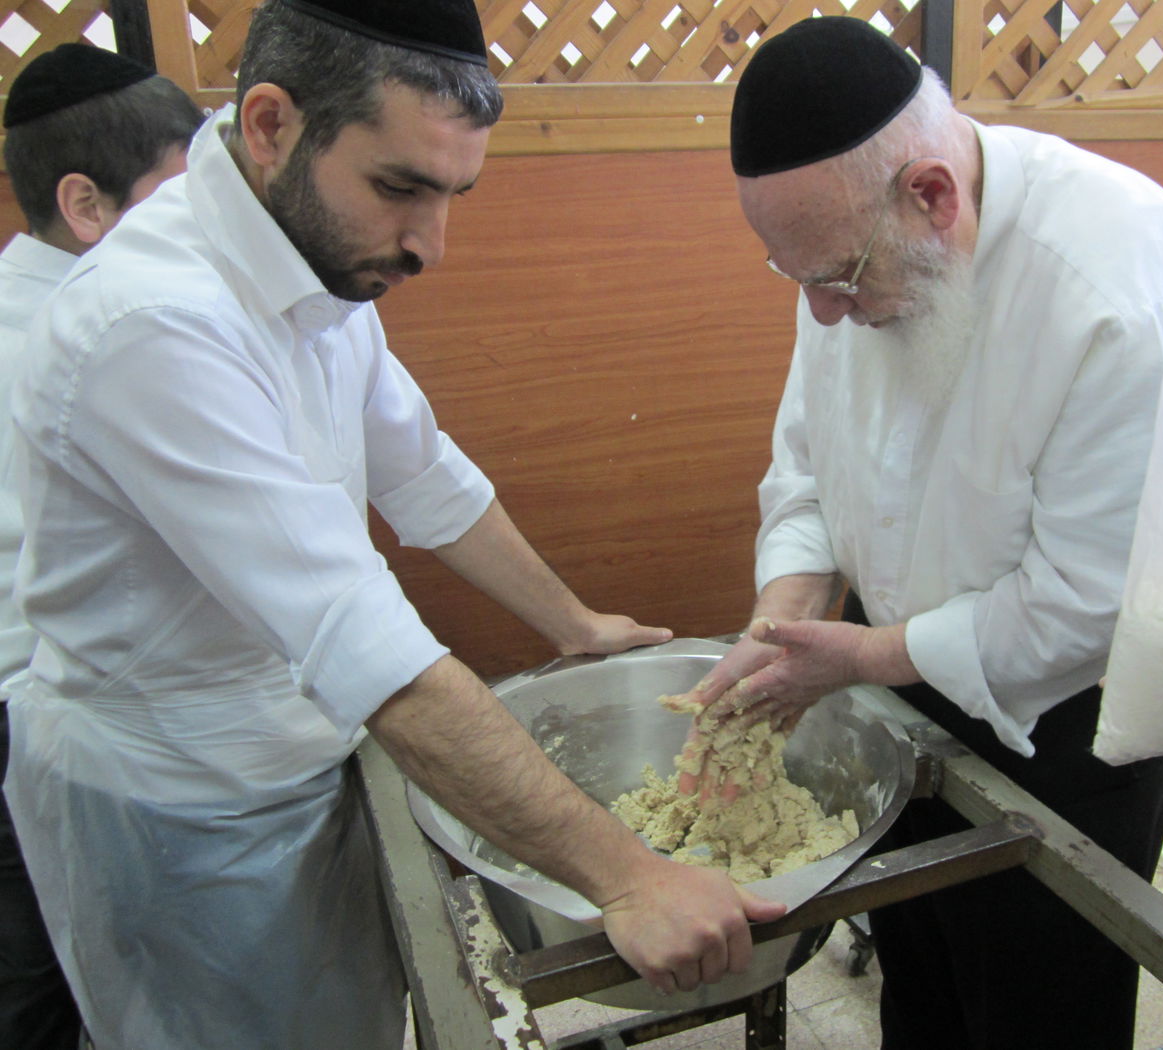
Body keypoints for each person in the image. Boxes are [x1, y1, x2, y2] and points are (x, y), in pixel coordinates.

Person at [3, 3, 783, 1048]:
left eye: (454, 194)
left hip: (301, 752)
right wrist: (629, 877)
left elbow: (422, 476)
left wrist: (576, 625)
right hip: (183, 810)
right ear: (273, 125)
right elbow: (363, 644)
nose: (430, 244)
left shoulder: (313, 252)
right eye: (399, 187)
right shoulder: (153, 322)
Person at [678, 16, 1163, 1050]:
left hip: (1075, 721)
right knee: (923, 967)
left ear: (932, 198)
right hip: (899, 686)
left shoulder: (1104, 284)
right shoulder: (855, 237)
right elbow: (807, 464)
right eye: (791, 277)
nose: (823, 313)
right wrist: (782, 618)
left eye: (838, 280)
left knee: (1036, 993)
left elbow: (1086, 600)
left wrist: (861, 658)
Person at [0, 42, 204, 1050]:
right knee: (42, 988)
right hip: (38, 711)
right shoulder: (100, 340)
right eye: (180, 197)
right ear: (86, 206)